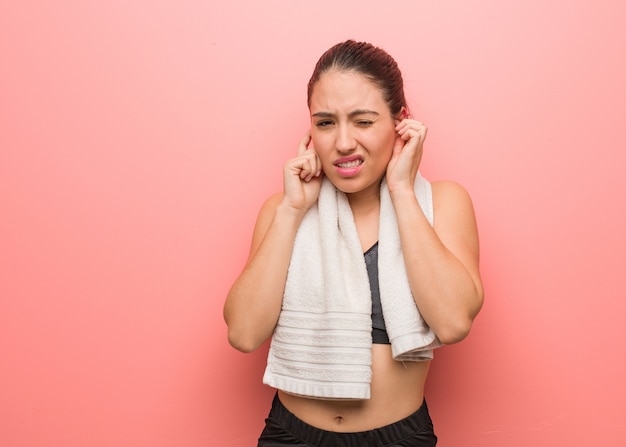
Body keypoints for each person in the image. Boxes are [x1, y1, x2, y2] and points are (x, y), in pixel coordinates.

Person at [224, 40, 484, 447]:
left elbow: (452, 323)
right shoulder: (282, 208)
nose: (343, 142)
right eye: (326, 123)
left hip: (400, 437)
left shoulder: (442, 202)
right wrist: (293, 211)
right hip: (290, 435)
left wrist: (401, 190)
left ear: (401, 122)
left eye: (363, 121)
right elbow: (243, 334)